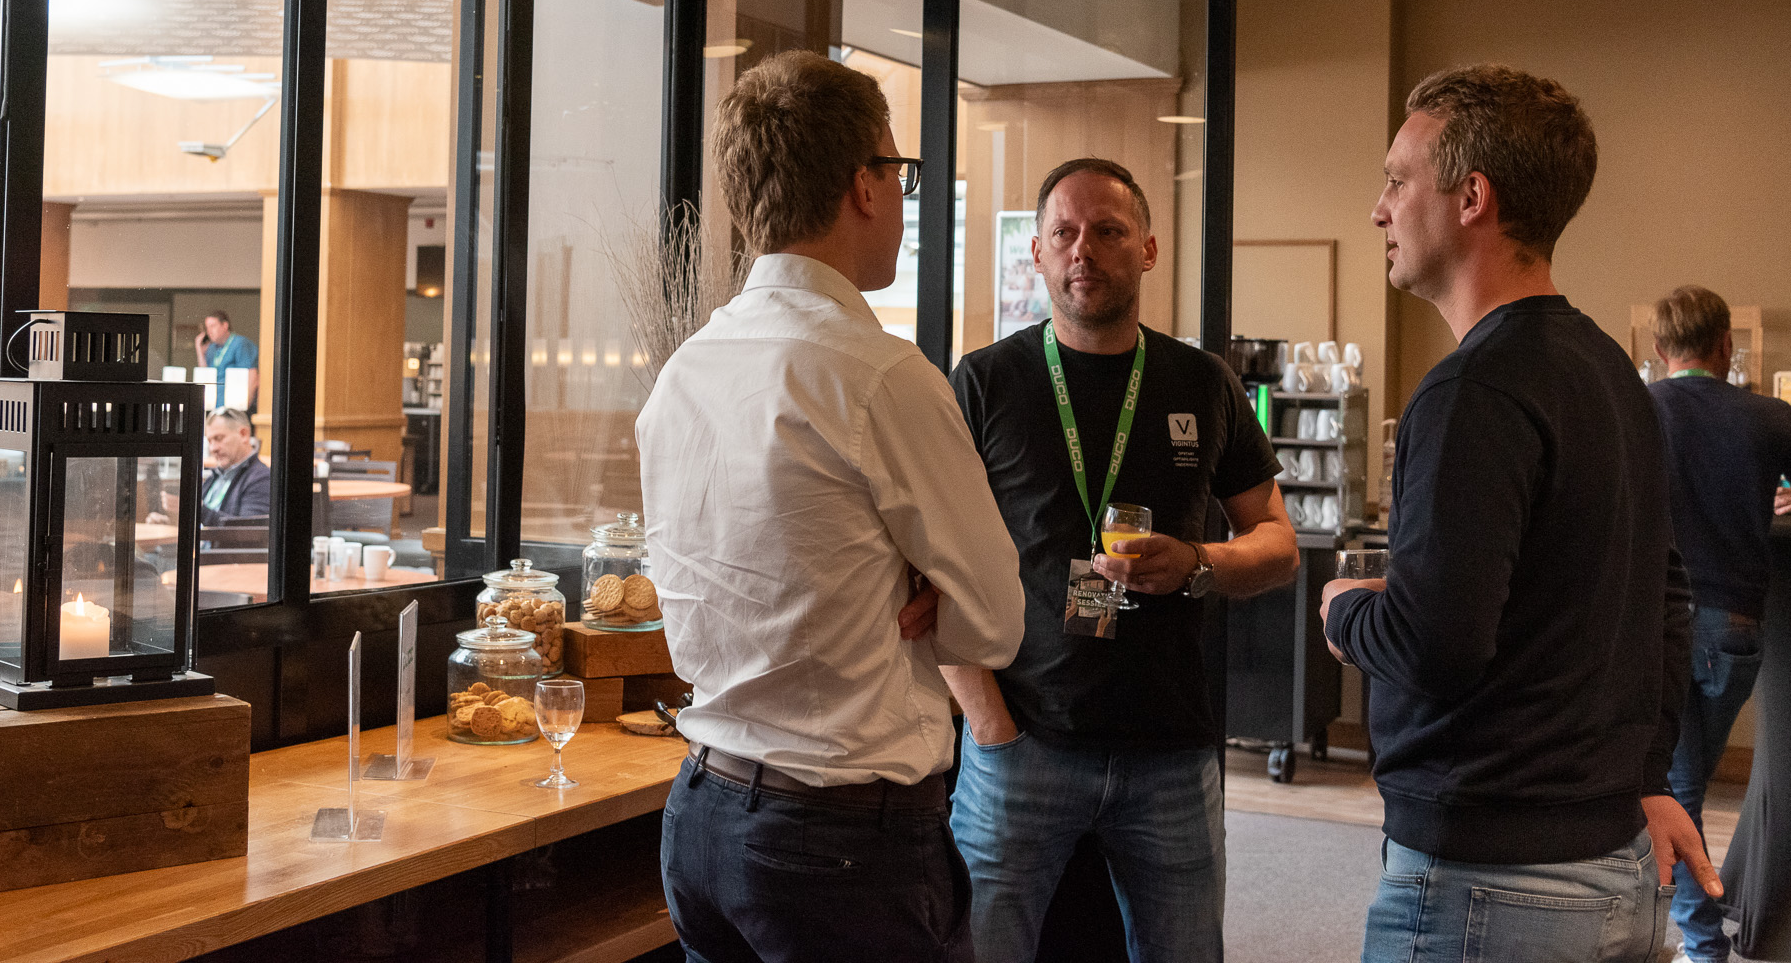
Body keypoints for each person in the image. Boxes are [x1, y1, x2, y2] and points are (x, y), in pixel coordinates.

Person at [1322, 64, 1717, 962]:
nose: (1379, 209)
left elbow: (1436, 645)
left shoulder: (1472, 390)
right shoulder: (1611, 373)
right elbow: (1665, 598)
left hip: (1488, 884)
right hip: (1613, 864)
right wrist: (1647, 776)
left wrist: (1344, 610)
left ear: (1472, 198)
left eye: (1397, 180)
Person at [638, 49, 1025, 963]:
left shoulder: (684, 371)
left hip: (702, 812)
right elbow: (996, 620)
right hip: (839, 840)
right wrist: (925, 589)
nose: (901, 196)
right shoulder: (881, 375)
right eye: (900, 172)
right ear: (864, 184)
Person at [945, 157, 1298, 963]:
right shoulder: (985, 382)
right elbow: (924, 565)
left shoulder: (1202, 382)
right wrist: (988, 725)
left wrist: (1198, 562)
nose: (1084, 250)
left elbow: (1277, 543)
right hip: (1022, 745)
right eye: (1064, 232)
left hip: (1170, 754)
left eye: (1107, 231)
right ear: (1037, 251)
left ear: (1147, 248)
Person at [1646, 285, 1791, 963]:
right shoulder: (1772, 417)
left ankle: (1702, 947)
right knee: (1676, 787)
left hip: (1659, 625)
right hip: (1737, 631)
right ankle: (1690, 937)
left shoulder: (1641, 408)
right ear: (1725, 345)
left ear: (1660, 349)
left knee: (1670, 788)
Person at [200, 405, 271, 526]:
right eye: (210, 441)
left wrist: (198, 511)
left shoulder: (262, 478)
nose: (213, 448)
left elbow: (249, 530)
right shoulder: (215, 476)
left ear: (243, 434)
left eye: (219, 438)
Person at [195, 311, 258, 412]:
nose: (209, 331)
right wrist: (200, 351)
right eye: (207, 327)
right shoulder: (212, 348)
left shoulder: (240, 344)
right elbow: (205, 375)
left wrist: (244, 407)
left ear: (225, 326)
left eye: (213, 326)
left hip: (235, 408)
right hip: (214, 407)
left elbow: (252, 376)